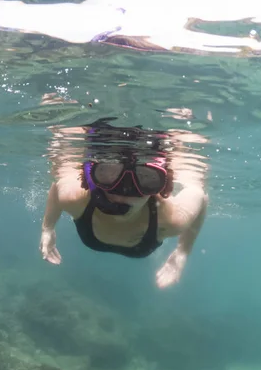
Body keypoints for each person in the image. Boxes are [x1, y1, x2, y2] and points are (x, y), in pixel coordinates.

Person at [39, 117, 209, 289]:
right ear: (92, 176)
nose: (124, 190)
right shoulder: (75, 199)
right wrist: (48, 229)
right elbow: (57, 187)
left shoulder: (171, 220)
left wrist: (182, 253)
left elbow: (200, 196)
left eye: (145, 178)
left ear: (161, 187)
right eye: (109, 173)